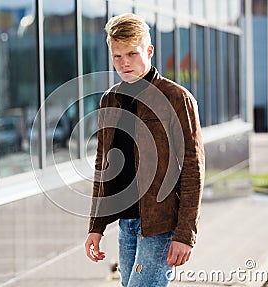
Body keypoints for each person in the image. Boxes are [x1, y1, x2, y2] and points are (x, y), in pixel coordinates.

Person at [84, 13, 205, 287]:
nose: (124, 63)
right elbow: (103, 166)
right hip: (126, 224)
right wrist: (96, 227)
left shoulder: (176, 99)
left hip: (161, 227)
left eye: (132, 53)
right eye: (117, 56)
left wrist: (185, 234)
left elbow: (192, 168)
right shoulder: (110, 100)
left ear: (149, 51)